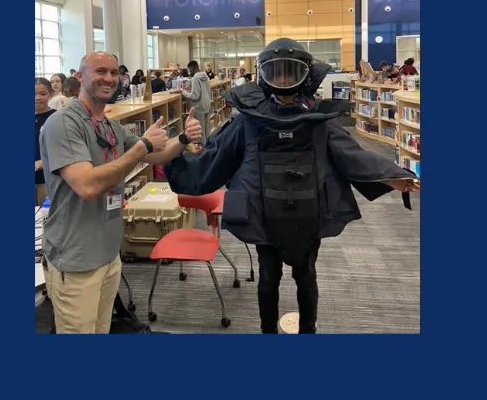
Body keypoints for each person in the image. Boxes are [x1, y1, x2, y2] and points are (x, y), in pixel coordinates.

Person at [164, 39, 418, 333]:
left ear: (305, 75)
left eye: (290, 72)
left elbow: (353, 156)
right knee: (268, 278)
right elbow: (213, 160)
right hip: (262, 216)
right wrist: (178, 151)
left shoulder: (318, 121)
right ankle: (267, 332)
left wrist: (391, 176)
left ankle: (308, 331)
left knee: (306, 276)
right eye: (276, 72)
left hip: (308, 214)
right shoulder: (247, 121)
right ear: (263, 75)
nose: (283, 79)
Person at [39, 51, 190, 333]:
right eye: (99, 71)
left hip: (108, 254)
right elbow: (86, 186)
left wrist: (182, 139)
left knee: (102, 329)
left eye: (112, 72)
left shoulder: (110, 126)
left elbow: (155, 157)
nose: (108, 78)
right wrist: (142, 146)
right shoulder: (62, 123)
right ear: (79, 76)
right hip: (75, 260)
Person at [35, 77, 56, 205]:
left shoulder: (57, 117)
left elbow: (63, 148)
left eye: (42, 94)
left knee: (45, 216)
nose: (37, 98)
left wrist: (43, 161)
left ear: (51, 94)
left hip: (48, 177)